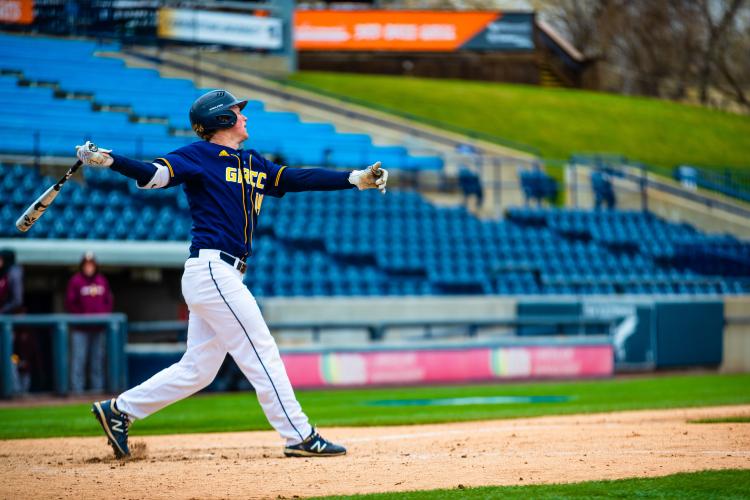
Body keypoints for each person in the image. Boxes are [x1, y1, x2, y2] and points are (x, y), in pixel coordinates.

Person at [77, 89, 388, 459]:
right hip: (212, 270)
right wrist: (111, 160)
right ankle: (299, 435)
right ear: (221, 119)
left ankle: (119, 411)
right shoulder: (198, 155)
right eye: (237, 112)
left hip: (222, 275)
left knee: (198, 370)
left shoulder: (252, 162)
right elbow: (155, 174)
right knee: (262, 351)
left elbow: (297, 178)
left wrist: (354, 178)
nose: (244, 116)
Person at [65, 252, 113, 394]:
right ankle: (77, 391)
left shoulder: (101, 280)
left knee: (97, 361)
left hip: (98, 328)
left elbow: (108, 301)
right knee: (78, 361)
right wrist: (82, 317)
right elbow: (70, 303)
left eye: (91, 264)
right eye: (86, 265)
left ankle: (96, 390)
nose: (89, 267)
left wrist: (102, 316)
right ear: (82, 266)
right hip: (80, 329)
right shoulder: (76, 281)